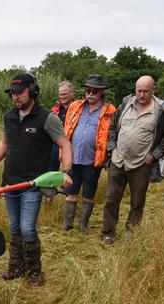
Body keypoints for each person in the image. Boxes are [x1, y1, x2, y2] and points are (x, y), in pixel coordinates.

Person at [0, 73, 73, 285]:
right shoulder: (10, 116)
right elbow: (5, 144)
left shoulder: (46, 117)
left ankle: (34, 271)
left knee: (27, 228)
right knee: (14, 227)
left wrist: (66, 171)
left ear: (32, 91)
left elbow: (65, 145)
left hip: (33, 183)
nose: (15, 97)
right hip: (10, 182)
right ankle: (15, 268)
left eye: (19, 92)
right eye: (12, 93)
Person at [100, 75, 164, 245]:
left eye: (145, 91)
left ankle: (131, 234)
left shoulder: (161, 110)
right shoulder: (125, 104)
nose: (141, 94)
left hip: (141, 163)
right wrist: (112, 149)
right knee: (111, 198)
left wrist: (154, 156)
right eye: (138, 90)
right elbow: (112, 128)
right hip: (118, 160)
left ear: (153, 90)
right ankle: (108, 232)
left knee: (137, 201)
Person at [61, 74, 116, 234]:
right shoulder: (76, 106)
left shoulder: (110, 110)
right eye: (88, 90)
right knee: (70, 192)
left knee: (88, 194)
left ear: (101, 92)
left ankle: (83, 225)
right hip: (72, 159)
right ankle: (67, 224)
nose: (91, 93)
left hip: (93, 160)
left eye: (95, 91)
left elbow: (113, 133)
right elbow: (66, 129)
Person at [49, 81, 75, 172]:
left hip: (71, 144)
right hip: (55, 144)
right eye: (60, 94)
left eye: (65, 94)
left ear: (72, 94)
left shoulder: (78, 109)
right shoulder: (55, 110)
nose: (62, 97)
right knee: (51, 171)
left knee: (70, 171)